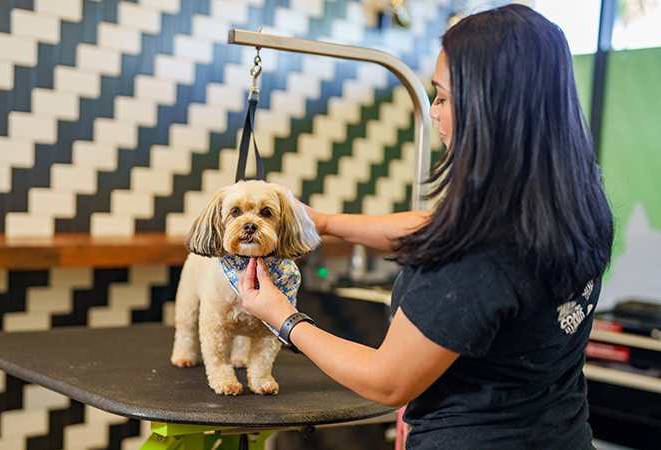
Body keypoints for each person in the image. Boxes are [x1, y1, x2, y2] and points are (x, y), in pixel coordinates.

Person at [237, 4, 614, 449]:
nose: (434, 112)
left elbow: (387, 382)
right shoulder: (577, 203)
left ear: (490, 108)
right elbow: (438, 224)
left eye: (442, 97)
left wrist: (282, 317)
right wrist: (325, 222)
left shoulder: (475, 256)